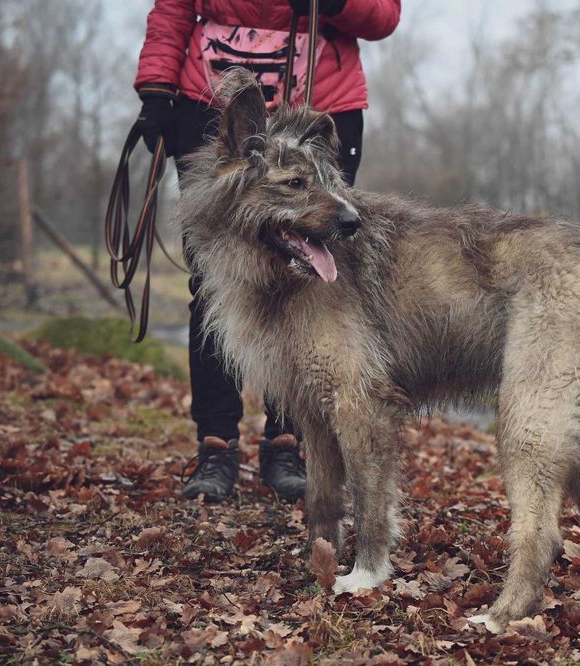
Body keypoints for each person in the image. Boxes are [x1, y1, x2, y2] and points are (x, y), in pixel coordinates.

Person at [132, 0, 401, 503]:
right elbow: (171, 10)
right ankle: (216, 445)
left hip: (321, 106)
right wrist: (156, 90)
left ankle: (287, 443)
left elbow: (384, 16)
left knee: (310, 280)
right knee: (213, 284)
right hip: (209, 105)